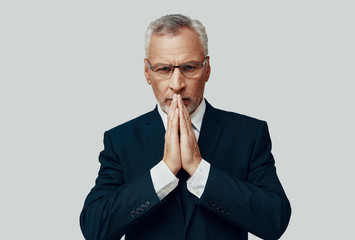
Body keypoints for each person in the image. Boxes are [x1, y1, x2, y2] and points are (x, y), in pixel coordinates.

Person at [80, 14, 291, 240]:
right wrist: (165, 171)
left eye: (189, 67)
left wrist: (199, 169)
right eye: (163, 69)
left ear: (207, 69)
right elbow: (95, 228)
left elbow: (274, 221)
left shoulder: (249, 134)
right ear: (147, 73)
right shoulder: (120, 140)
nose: (177, 84)